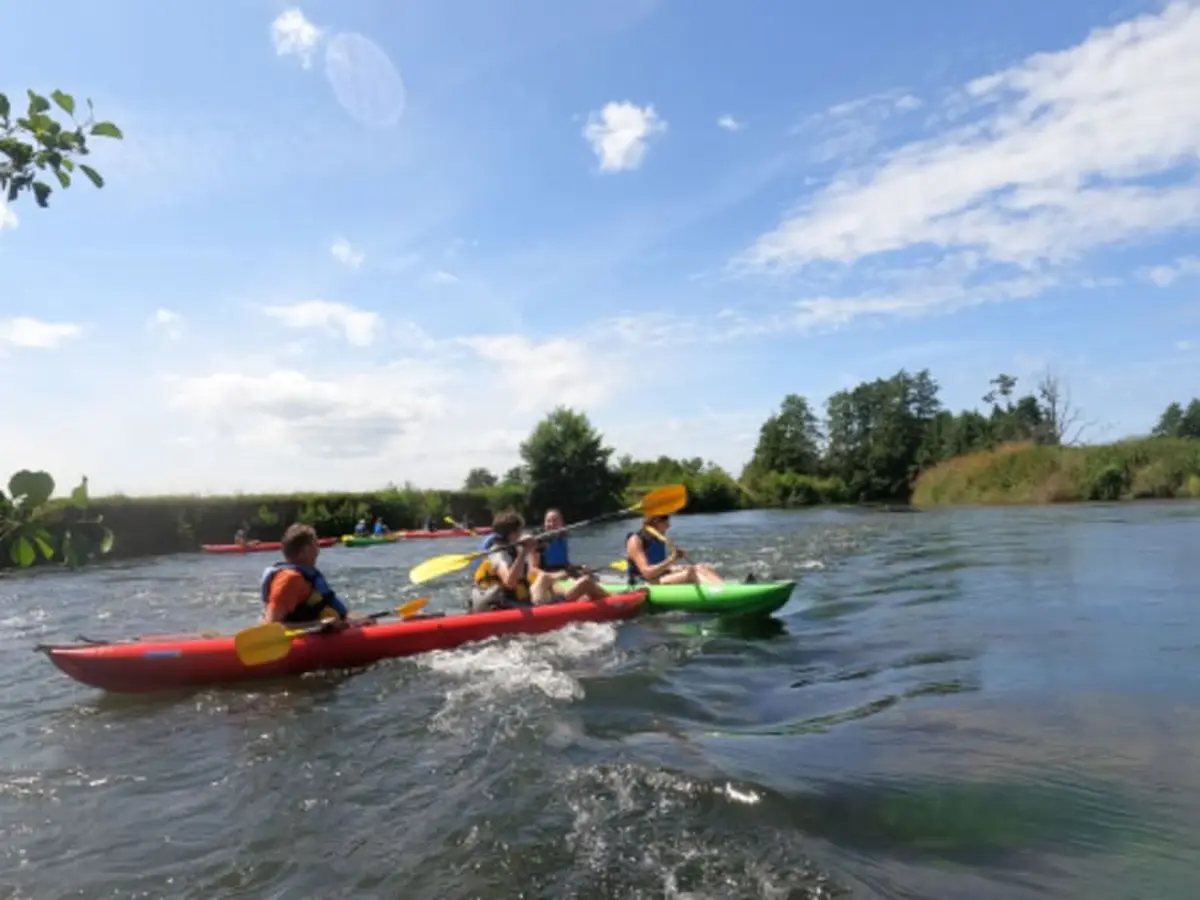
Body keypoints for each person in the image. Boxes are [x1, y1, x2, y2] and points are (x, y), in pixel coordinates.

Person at [470, 510, 608, 612]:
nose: (521, 534)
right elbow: (510, 583)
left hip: (520, 600)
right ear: (512, 534)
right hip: (512, 606)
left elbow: (539, 547)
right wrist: (524, 552)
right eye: (519, 531)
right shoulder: (499, 554)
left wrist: (531, 545)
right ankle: (618, 604)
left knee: (548, 579)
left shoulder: (511, 547)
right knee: (586, 583)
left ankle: (593, 602)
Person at [261, 524, 354, 626]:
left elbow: (338, 613)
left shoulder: (306, 576)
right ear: (305, 551)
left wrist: (357, 620)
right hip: (303, 638)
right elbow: (271, 626)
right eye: (315, 546)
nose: (318, 551)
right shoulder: (289, 579)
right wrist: (318, 624)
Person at [625, 514, 723, 586]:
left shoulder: (659, 538)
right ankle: (720, 593)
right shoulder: (636, 540)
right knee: (692, 573)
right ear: (655, 521)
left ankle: (723, 588)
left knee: (701, 567)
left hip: (659, 577)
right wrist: (672, 559)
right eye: (666, 520)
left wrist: (676, 567)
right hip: (643, 583)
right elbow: (647, 573)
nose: (669, 525)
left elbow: (659, 566)